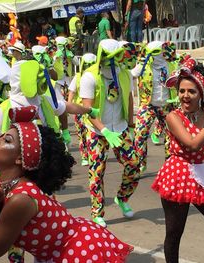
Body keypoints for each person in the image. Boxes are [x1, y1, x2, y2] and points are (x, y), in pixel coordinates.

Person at [0, 106, 133, 262]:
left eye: (6, 140)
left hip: (79, 252)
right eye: (0, 136)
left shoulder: (21, 199)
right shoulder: (6, 185)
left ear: (21, 158)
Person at [152, 58, 204, 263]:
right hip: (179, 176)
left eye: (191, 91)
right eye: (182, 91)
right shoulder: (174, 117)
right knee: (174, 234)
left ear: (202, 94)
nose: (185, 96)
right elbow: (192, 145)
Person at [80, 39, 140, 227]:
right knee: (97, 172)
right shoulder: (90, 77)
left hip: (120, 128)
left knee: (134, 164)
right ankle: (97, 212)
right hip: (97, 131)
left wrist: (130, 126)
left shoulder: (124, 74)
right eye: (111, 58)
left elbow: (129, 98)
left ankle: (122, 198)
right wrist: (104, 130)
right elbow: (87, 109)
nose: (114, 62)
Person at [132, 41, 178, 172]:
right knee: (140, 134)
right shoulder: (144, 66)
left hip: (166, 105)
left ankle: (170, 165)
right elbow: (130, 75)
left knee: (171, 135)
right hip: (148, 105)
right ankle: (140, 163)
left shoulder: (170, 65)